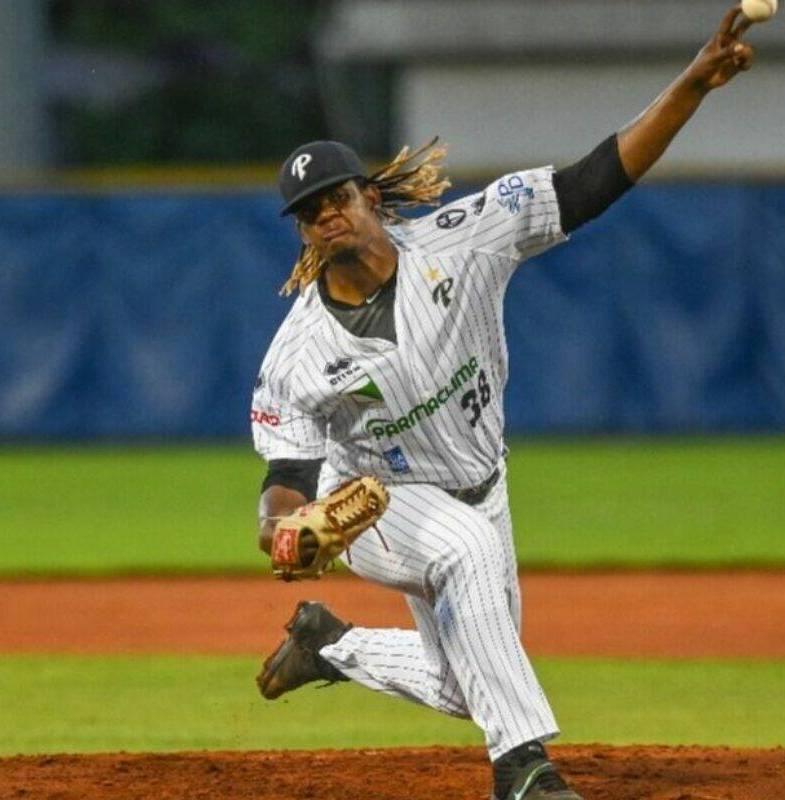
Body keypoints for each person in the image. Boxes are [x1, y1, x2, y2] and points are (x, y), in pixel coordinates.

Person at [250, 7, 756, 799]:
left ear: (371, 197)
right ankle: (524, 773)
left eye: (336, 196)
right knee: (464, 551)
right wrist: (282, 531)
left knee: (470, 681)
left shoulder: (464, 239)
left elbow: (595, 181)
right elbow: (285, 478)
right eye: (308, 212)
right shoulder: (299, 353)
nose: (325, 215)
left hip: (486, 484)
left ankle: (331, 646)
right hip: (377, 503)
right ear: (304, 233)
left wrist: (692, 85)